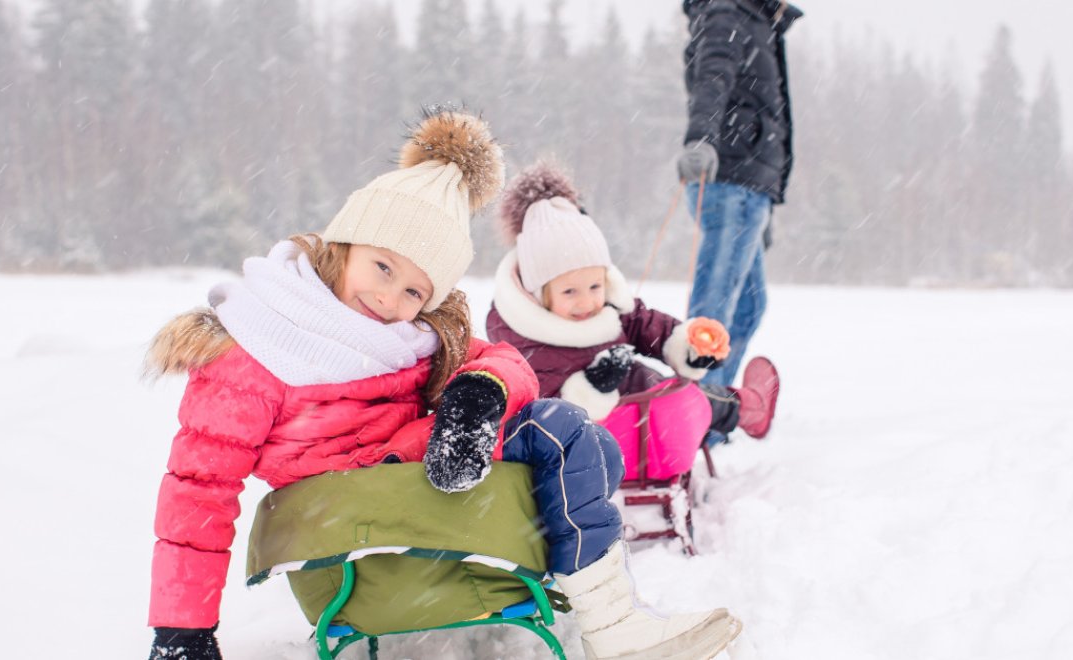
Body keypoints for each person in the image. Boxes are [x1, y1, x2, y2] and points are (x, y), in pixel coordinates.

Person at [144, 110, 741, 660]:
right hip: (346, 532)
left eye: (415, 292)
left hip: (419, 489)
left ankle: (615, 623)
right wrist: (182, 630)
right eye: (383, 268)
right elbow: (198, 490)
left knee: (583, 441)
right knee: (566, 437)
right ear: (344, 245)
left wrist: (478, 394)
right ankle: (612, 627)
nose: (390, 300)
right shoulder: (257, 344)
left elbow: (506, 361)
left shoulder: (417, 338)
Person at [485, 162, 780, 447]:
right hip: (612, 439)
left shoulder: (608, 308)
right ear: (539, 294)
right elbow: (544, 405)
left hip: (646, 408)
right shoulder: (526, 342)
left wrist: (686, 346)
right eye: (570, 292)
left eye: (595, 286)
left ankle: (743, 408)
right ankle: (746, 408)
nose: (586, 301)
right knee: (688, 402)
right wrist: (593, 385)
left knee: (686, 394)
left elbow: (644, 324)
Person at [677, 0, 801, 393]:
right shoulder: (727, 10)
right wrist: (700, 139)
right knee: (713, 313)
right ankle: (694, 417)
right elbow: (712, 75)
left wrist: (767, 209)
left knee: (747, 307)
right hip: (730, 178)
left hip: (749, 188)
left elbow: (766, 111)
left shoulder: (759, 19)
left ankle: (712, 407)